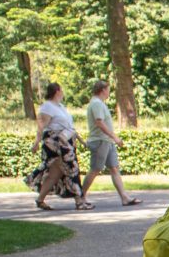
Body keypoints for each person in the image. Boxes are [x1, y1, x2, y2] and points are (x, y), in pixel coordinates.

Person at [24, 82, 90, 211]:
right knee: (72, 169)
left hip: (66, 142)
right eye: (61, 90)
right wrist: (36, 143)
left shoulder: (60, 107)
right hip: (56, 144)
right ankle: (79, 201)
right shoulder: (47, 107)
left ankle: (40, 199)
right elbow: (42, 127)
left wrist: (80, 141)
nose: (63, 93)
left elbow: (69, 128)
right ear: (57, 91)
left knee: (55, 173)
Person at [80, 79, 140, 207]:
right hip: (100, 140)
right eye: (108, 90)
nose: (109, 93)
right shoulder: (96, 103)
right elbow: (99, 122)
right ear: (102, 90)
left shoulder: (100, 103)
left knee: (114, 168)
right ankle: (81, 196)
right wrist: (115, 137)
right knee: (95, 169)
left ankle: (124, 197)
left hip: (107, 141)